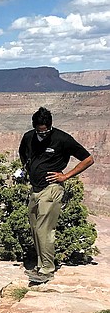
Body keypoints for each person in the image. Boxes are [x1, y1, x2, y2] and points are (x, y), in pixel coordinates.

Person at [19, 107, 94, 284]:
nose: (43, 135)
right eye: (40, 131)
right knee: (34, 227)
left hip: (52, 189)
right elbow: (23, 153)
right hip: (35, 189)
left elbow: (88, 159)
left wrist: (66, 176)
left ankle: (47, 270)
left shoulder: (62, 139)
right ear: (35, 127)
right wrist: (27, 169)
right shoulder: (29, 137)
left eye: (46, 131)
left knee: (44, 229)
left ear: (50, 127)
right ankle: (40, 264)